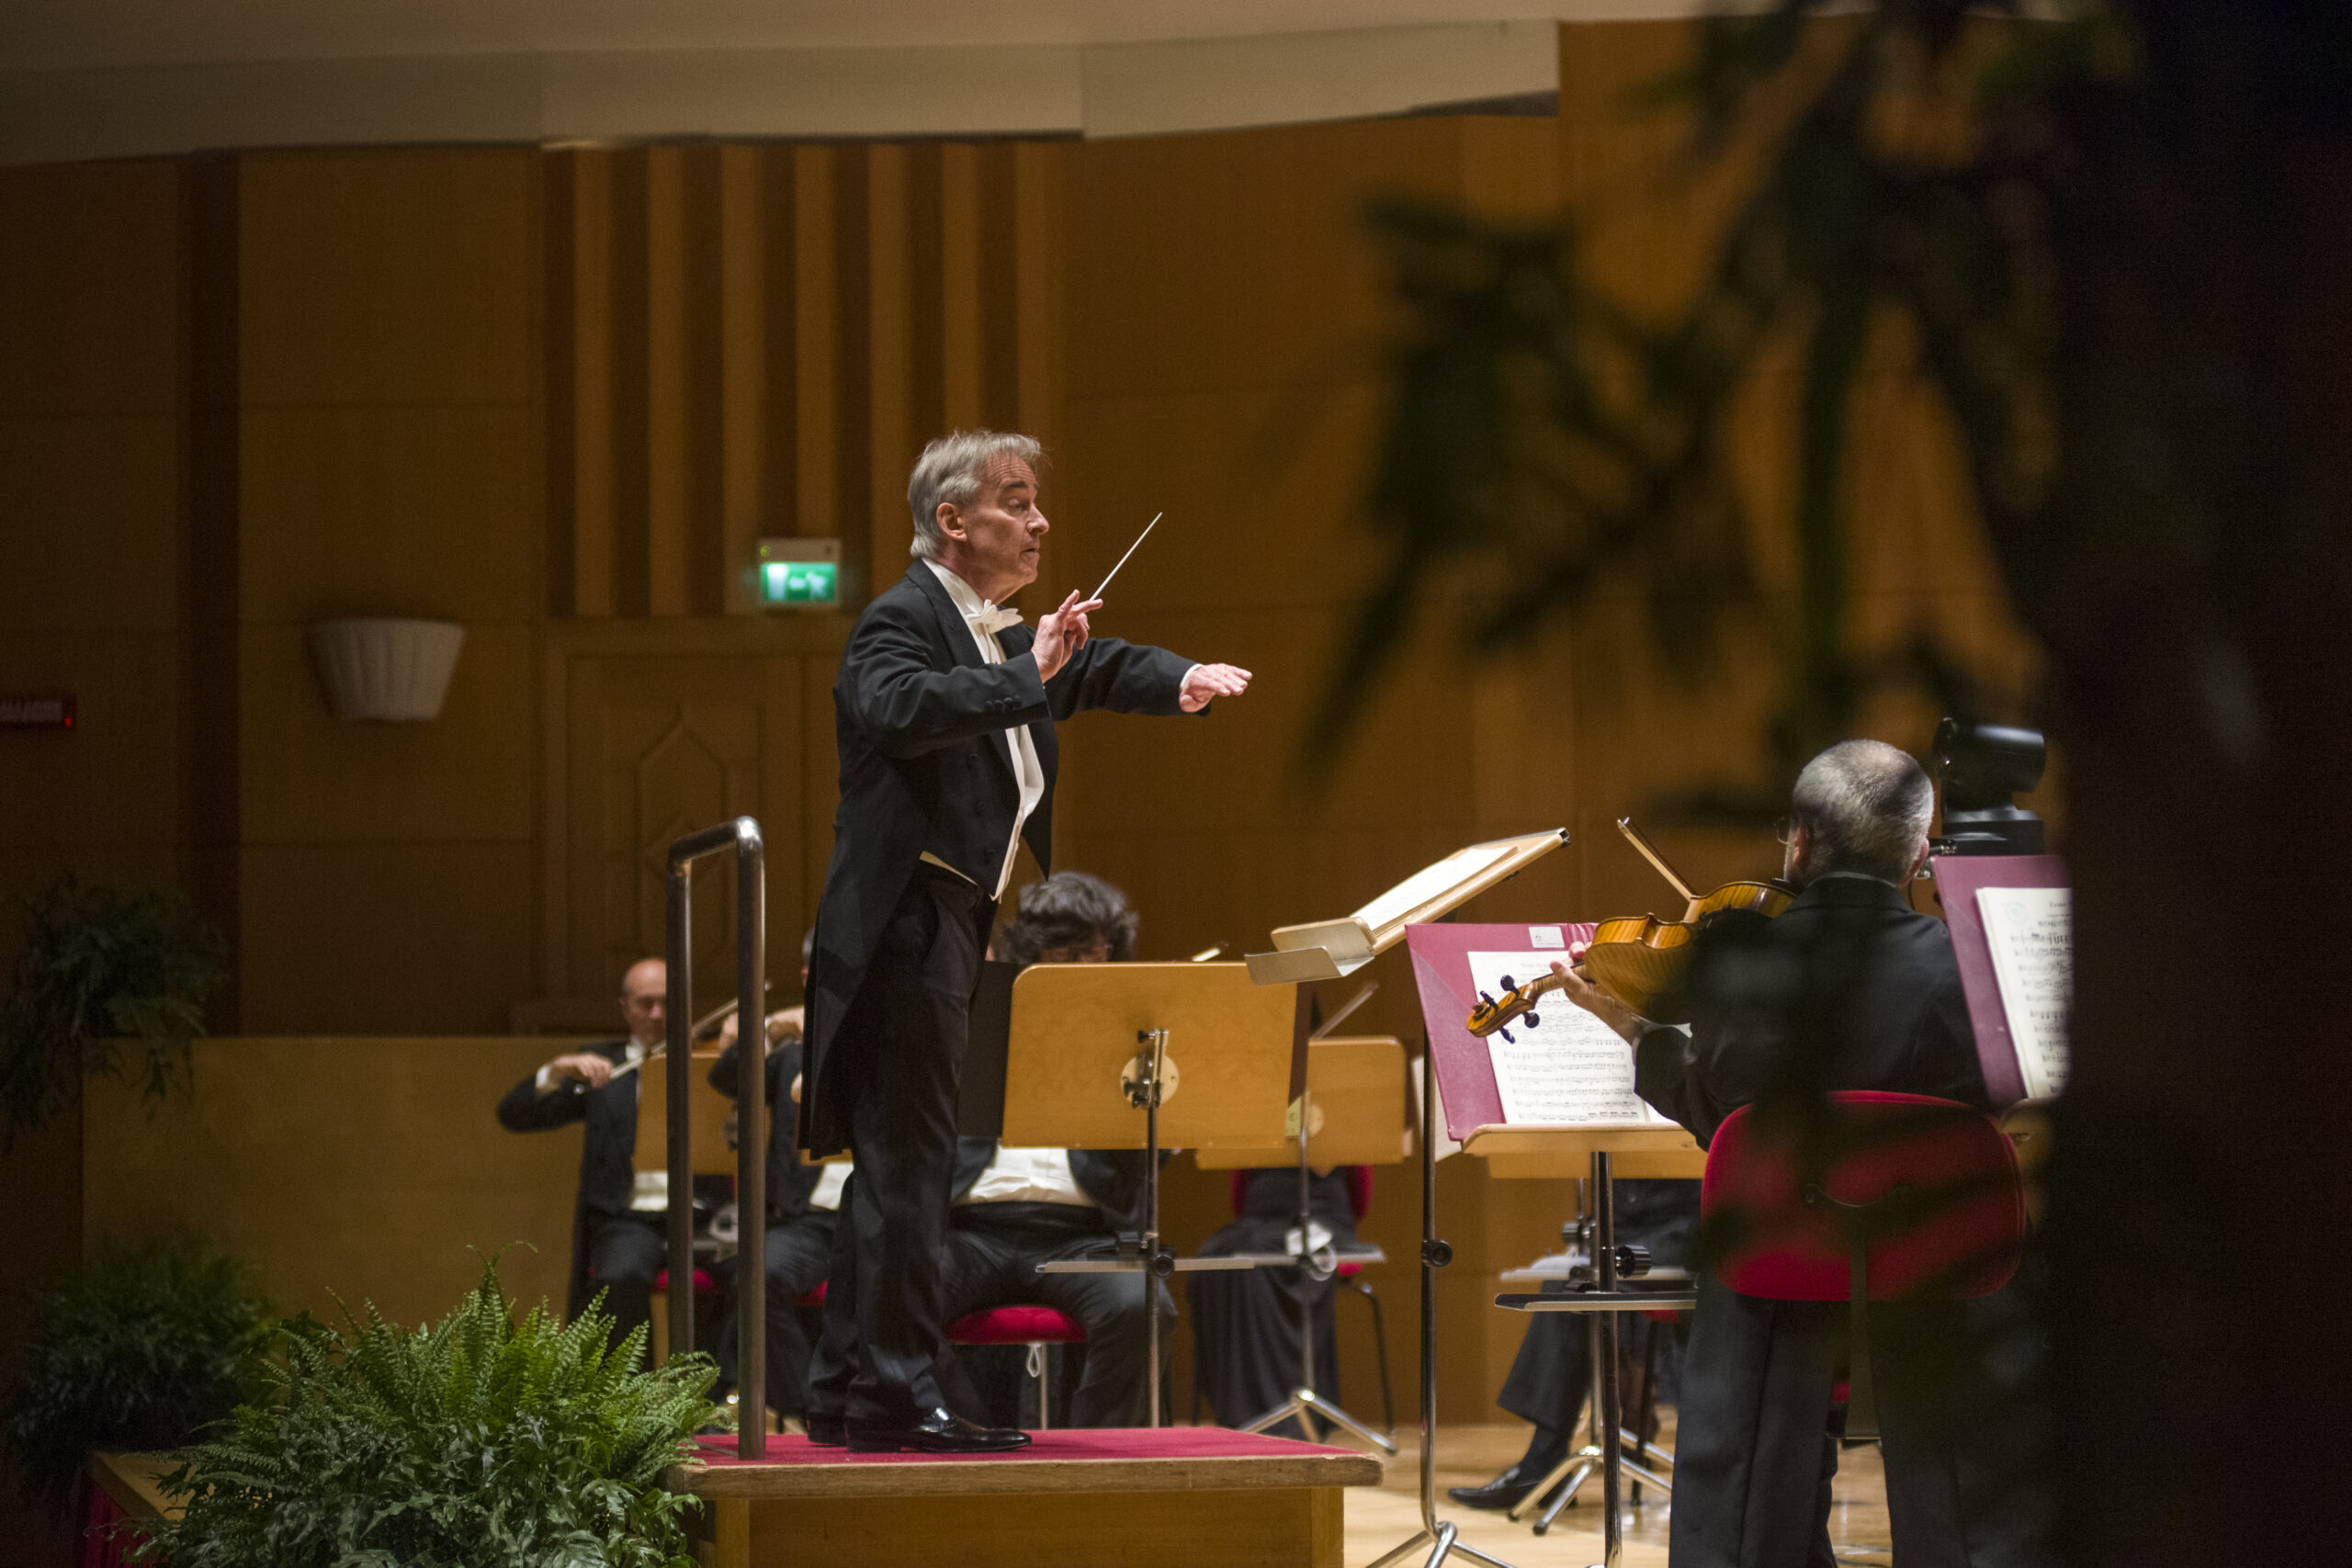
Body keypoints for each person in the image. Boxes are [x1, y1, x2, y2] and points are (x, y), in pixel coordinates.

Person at [800, 430, 1251, 1454]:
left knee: (894, 1169)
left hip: (941, 920)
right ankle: (896, 1397)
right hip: (903, 922)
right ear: (952, 521)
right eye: (1016, 500)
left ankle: (845, 1389)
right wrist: (1028, 669)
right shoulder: (902, 618)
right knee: (908, 1170)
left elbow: (1081, 672)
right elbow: (895, 706)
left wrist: (1174, 678)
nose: (1040, 519)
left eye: (1039, 501)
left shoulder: (982, 633)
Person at [1551, 739, 2038, 1568]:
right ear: (1920, 854)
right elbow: (1999, 1098)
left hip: (1781, 1267)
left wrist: (1638, 1031)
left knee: (1762, 1251)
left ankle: (1742, 1539)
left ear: (1800, 841)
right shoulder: (1974, 967)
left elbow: (1718, 1112)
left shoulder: (1741, 968)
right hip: (1931, 1269)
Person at [934, 873, 1172, 1428]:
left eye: (1097, 951)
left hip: (1084, 1234)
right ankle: (970, 1436)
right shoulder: (977, 1014)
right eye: (1066, 952)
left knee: (1143, 1307)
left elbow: (1152, 1161)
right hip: (970, 1229)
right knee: (895, 1294)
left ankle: (1095, 1458)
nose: (1084, 967)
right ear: (1031, 953)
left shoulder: (1137, 1031)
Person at [1446, 1180, 1699, 1510]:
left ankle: (1545, 1461)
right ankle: (1546, 1457)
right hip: (1616, 1230)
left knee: (1589, 1280)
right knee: (1569, 1281)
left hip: (1682, 1229)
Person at [494, 957, 673, 1351]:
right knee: (618, 1276)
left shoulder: (712, 1062)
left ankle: (718, 1398)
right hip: (630, 1218)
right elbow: (514, 1115)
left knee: (753, 1278)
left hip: (705, 1217)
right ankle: (633, 1399)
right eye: (646, 1003)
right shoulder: (603, 1068)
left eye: (668, 1001)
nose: (658, 1014)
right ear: (625, 1008)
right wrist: (555, 1072)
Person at [707, 930, 834, 1419]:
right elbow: (725, 1079)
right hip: (808, 1222)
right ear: (809, 980)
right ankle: (812, 1412)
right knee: (756, 1273)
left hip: (881, 1216)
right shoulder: (790, 1051)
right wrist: (767, 1032)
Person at [1186, 1163, 1363, 1439]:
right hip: (1259, 1219)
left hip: (1321, 1217)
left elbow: (1361, 1188)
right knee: (1214, 1254)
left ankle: (1280, 1416)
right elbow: (1240, 1188)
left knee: (1254, 1258)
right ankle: (1237, 1407)